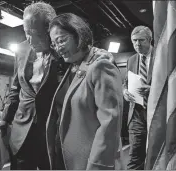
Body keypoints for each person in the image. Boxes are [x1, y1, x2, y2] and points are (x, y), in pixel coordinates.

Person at [0, 2, 67, 170]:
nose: (29, 39)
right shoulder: (21, 49)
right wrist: (5, 119)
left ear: (49, 30)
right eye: (26, 32)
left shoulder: (63, 50)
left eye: (33, 33)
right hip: (22, 130)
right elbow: (16, 88)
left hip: (52, 131)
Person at [47, 13, 124, 170]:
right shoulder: (74, 66)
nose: (58, 48)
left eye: (61, 40)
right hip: (65, 158)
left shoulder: (101, 66)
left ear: (79, 34)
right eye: (54, 43)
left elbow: (109, 125)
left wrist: (97, 165)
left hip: (87, 162)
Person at [122, 26, 154, 170]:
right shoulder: (131, 60)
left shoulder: (162, 56)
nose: (137, 44)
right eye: (134, 41)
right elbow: (125, 83)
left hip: (157, 112)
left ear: (150, 40)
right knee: (135, 156)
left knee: (157, 153)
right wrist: (124, 91)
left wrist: (153, 90)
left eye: (141, 40)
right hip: (136, 114)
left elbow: (172, 83)